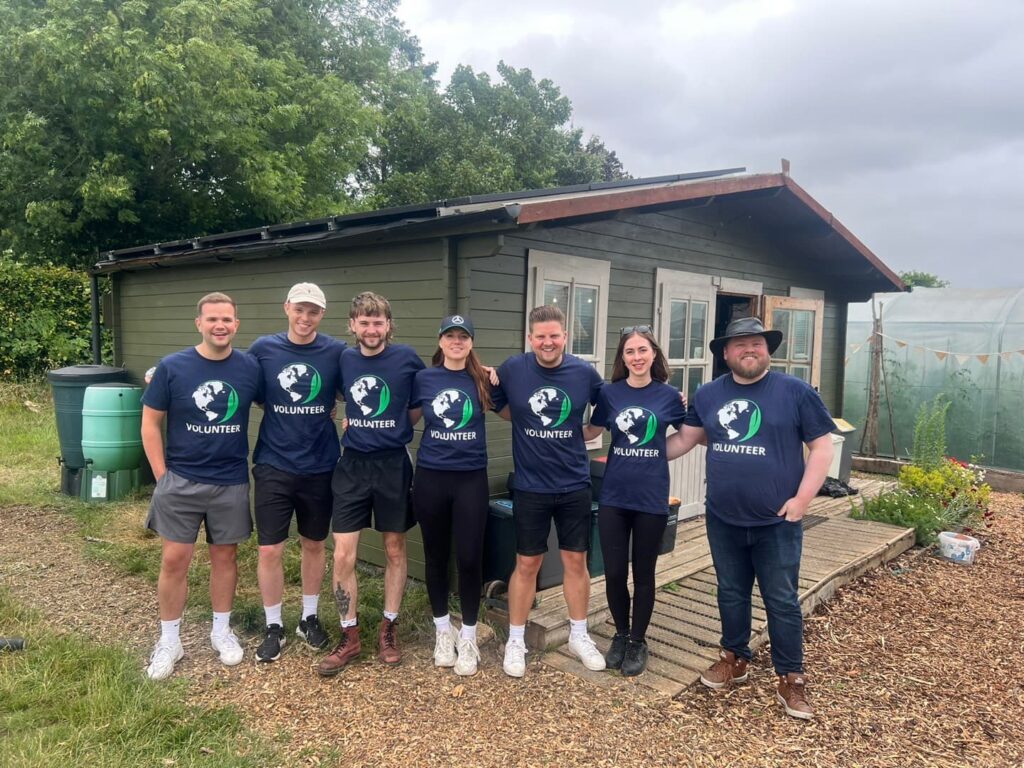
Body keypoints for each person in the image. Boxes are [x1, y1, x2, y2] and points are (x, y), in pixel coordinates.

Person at [667, 316, 834, 719]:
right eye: (740, 344)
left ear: (767, 349)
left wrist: (802, 501)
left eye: (757, 343)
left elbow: (822, 448)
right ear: (725, 354)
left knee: (781, 599)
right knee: (730, 591)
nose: (749, 350)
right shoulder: (708, 395)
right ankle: (734, 657)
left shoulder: (794, 392)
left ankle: (791, 679)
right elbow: (687, 439)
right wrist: (633, 446)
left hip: (778, 521)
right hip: (723, 517)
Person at [141, 292, 262, 680]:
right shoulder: (172, 367)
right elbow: (150, 423)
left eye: (226, 319)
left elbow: (275, 400)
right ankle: (169, 641)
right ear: (199, 323)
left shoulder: (249, 367)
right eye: (212, 319)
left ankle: (221, 630)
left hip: (230, 480)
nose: (220, 326)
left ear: (236, 324)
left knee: (225, 558)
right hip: (182, 480)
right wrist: (162, 477)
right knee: (175, 560)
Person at [492, 305, 606, 677]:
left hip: (574, 483)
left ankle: (578, 633)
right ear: (530, 339)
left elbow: (604, 412)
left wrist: (585, 432)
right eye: (540, 336)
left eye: (554, 335)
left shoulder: (584, 372)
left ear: (565, 337)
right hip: (530, 486)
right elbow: (500, 403)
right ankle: (515, 639)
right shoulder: (513, 369)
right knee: (527, 563)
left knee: (576, 562)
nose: (547, 342)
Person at [317, 292, 425, 676]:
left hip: (393, 464)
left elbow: (419, 402)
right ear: (352, 325)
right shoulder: (342, 358)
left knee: (395, 549)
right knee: (343, 554)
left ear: (389, 326)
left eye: (378, 322)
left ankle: (388, 628)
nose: (371, 329)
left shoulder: (407, 359)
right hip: (353, 466)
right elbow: (331, 393)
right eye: (364, 322)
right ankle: (350, 635)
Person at [247, 283, 347, 662]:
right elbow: (247, 385)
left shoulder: (336, 351)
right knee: (270, 547)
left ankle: (309, 617)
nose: (305, 318)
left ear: (322, 314)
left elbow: (357, 380)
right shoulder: (263, 349)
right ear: (286, 307)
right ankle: (274, 625)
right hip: (274, 463)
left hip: (320, 464)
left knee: (314, 544)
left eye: (314, 312)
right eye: (300, 310)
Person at [583, 327, 686, 677]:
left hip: (651, 498)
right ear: (622, 358)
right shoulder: (610, 394)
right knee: (613, 572)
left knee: (644, 574)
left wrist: (659, 453)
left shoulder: (670, 396)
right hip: (614, 496)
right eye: (630, 352)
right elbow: (592, 431)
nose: (637, 357)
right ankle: (620, 635)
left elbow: (689, 434)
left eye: (643, 350)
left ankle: (639, 641)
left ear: (653, 354)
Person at [409, 315, 493, 676]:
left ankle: (470, 636)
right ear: (440, 341)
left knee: (471, 558)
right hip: (431, 477)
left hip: (471, 479)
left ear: (471, 343)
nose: (456, 341)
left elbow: (517, 407)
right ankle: (443, 629)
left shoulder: (485, 379)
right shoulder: (424, 379)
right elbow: (406, 419)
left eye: (463, 336)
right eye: (450, 336)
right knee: (436, 556)